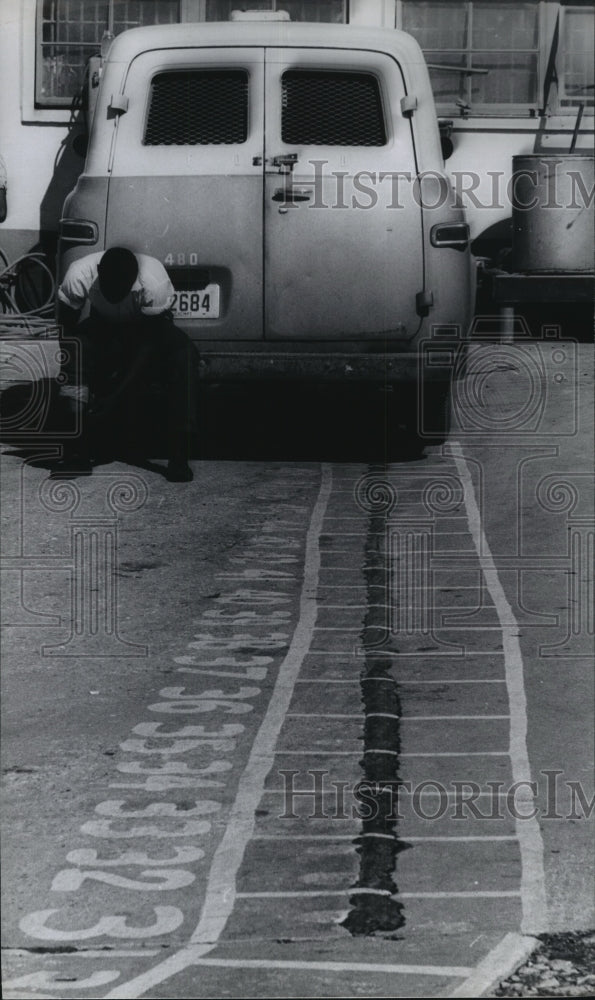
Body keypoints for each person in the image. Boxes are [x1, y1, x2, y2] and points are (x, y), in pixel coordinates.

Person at [54, 247, 198, 481]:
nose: (115, 294)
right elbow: (66, 329)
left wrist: (115, 396)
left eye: (122, 288)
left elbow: (149, 345)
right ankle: (76, 450)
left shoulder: (154, 282)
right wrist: (76, 376)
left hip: (147, 329)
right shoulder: (79, 274)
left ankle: (179, 455)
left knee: (184, 354)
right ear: (98, 271)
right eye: (109, 287)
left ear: (134, 278)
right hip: (103, 326)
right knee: (75, 349)